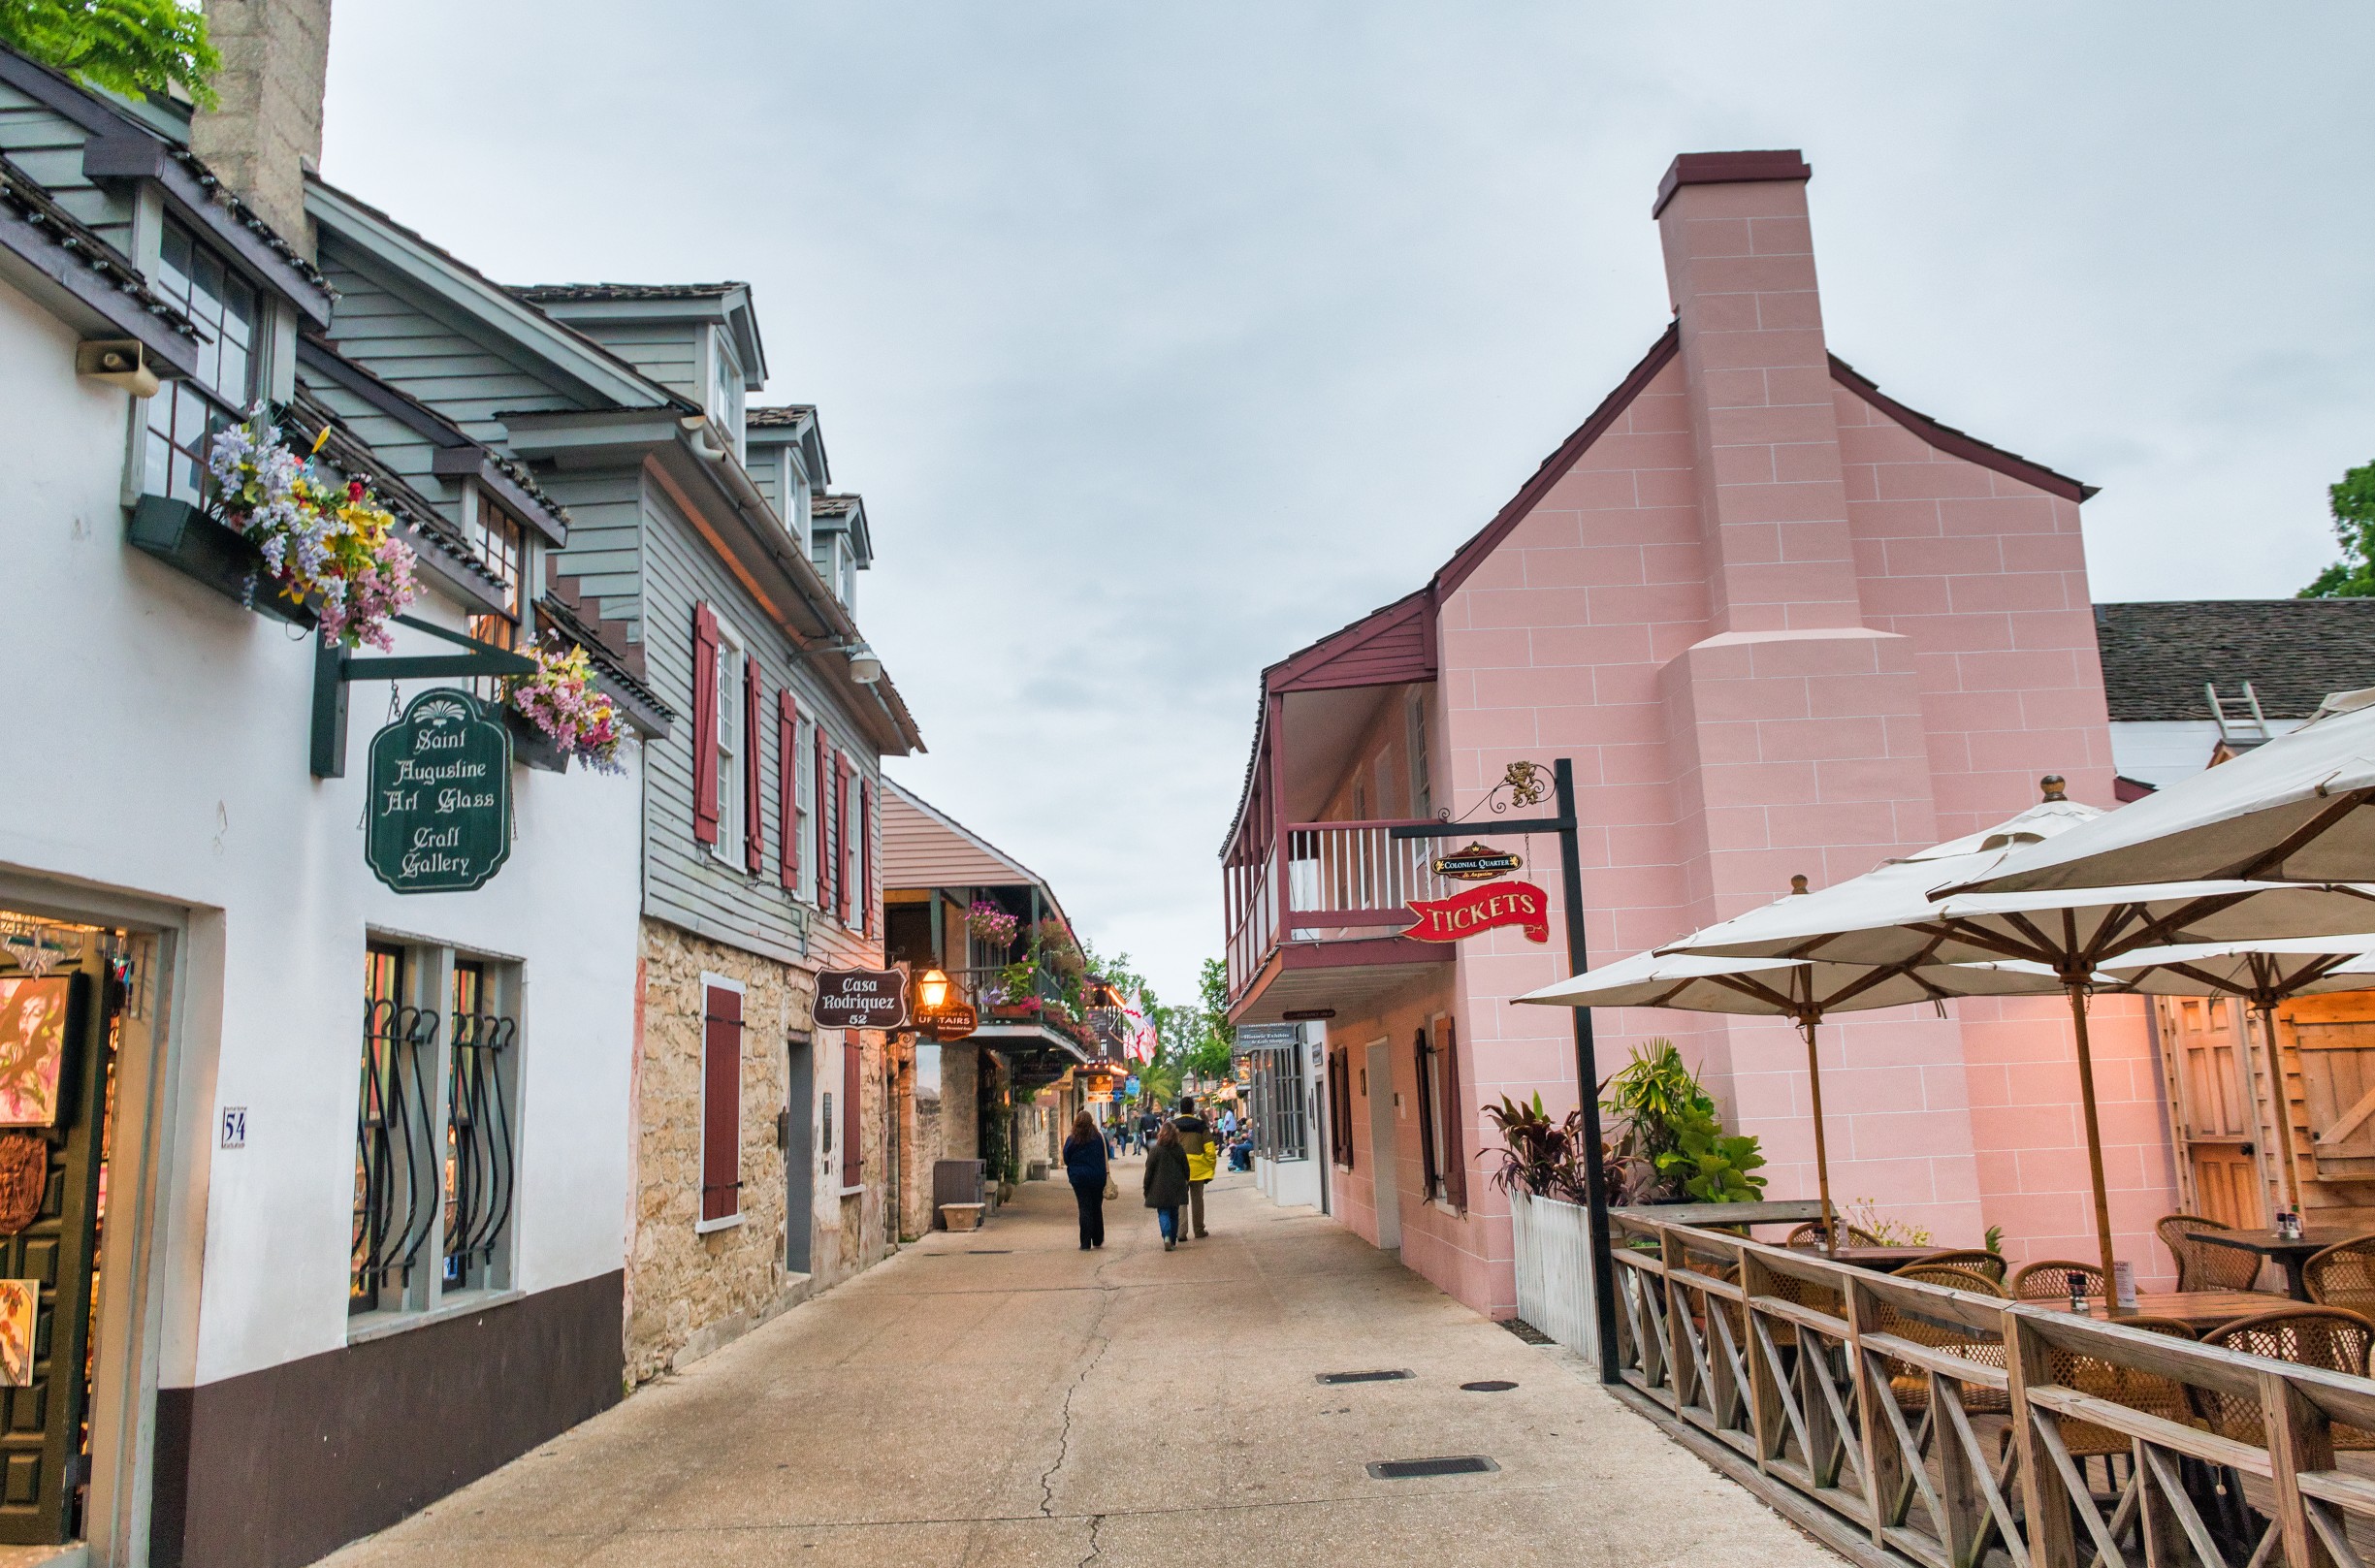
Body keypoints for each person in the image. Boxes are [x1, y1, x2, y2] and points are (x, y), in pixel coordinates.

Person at [1062, 1110, 1108, 1250]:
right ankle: (1098, 1238)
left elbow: (1066, 1157)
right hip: (1097, 1177)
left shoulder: (1072, 1139)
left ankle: (1085, 1242)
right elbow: (1106, 1154)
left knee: (1084, 1207)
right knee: (1096, 1206)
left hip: (1079, 1178)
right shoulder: (1099, 1138)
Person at [1142, 1121, 1190, 1250]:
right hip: (1176, 1186)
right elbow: (1186, 1168)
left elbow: (1149, 1171)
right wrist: (1186, 1180)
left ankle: (1166, 1235)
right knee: (1174, 1214)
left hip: (1160, 1188)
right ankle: (1172, 1241)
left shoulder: (1155, 1150)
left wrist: (1146, 1188)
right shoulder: (1179, 1149)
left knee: (1163, 1212)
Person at [1174, 1096, 1215, 1239]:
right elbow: (1210, 1149)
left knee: (1181, 1200)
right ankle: (1199, 1230)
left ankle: (1181, 1232)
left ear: (1180, 1109)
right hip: (1198, 1169)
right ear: (1192, 1109)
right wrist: (1210, 1167)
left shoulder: (1173, 1125)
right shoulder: (1201, 1125)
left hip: (1179, 1169)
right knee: (1197, 1199)